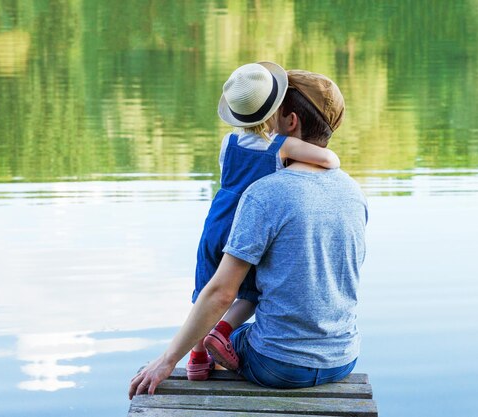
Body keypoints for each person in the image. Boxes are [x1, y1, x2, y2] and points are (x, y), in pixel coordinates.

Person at [129, 69, 367, 398]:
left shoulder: (265, 193)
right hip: (343, 359)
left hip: (277, 365)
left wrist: (168, 360)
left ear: (291, 121)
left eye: (275, 112)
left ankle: (199, 358)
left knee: (217, 332)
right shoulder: (353, 192)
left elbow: (221, 294)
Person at [188, 62, 341, 380]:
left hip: (216, 220)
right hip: (244, 222)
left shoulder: (228, 143)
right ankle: (223, 331)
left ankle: (197, 357)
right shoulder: (279, 147)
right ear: (277, 113)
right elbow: (329, 159)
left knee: (206, 289)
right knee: (251, 293)